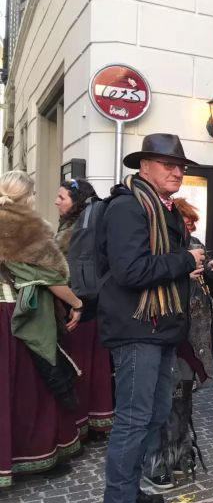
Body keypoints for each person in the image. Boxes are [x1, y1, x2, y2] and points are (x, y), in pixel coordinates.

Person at [95, 134, 206, 503]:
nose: (177, 171)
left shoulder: (163, 210)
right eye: (167, 164)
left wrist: (186, 266)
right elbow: (130, 271)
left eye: (180, 166)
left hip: (158, 328)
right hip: (136, 328)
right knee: (134, 419)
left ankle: (128, 492)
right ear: (144, 167)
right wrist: (184, 260)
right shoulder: (128, 207)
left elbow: (153, 266)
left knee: (155, 415)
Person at [0, 170, 84, 487]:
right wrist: (76, 303)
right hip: (14, 317)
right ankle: (30, 458)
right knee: (25, 390)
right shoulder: (25, 227)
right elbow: (50, 279)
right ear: (28, 196)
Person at [142, 197, 213, 490]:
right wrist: (181, 274)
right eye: (184, 221)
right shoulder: (159, 246)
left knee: (181, 401)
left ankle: (179, 456)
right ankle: (156, 463)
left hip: (192, 341)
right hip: (167, 337)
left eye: (191, 222)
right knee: (161, 404)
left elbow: (210, 293)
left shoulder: (196, 243)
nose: (189, 226)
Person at [54, 177, 115, 439]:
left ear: (75, 201)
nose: (56, 201)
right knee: (88, 368)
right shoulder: (74, 224)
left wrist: (76, 304)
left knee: (83, 368)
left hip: (81, 308)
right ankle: (91, 423)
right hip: (81, 306)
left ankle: (84, 424)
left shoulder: (80, 227)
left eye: (62, 197)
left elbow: (75, 271)